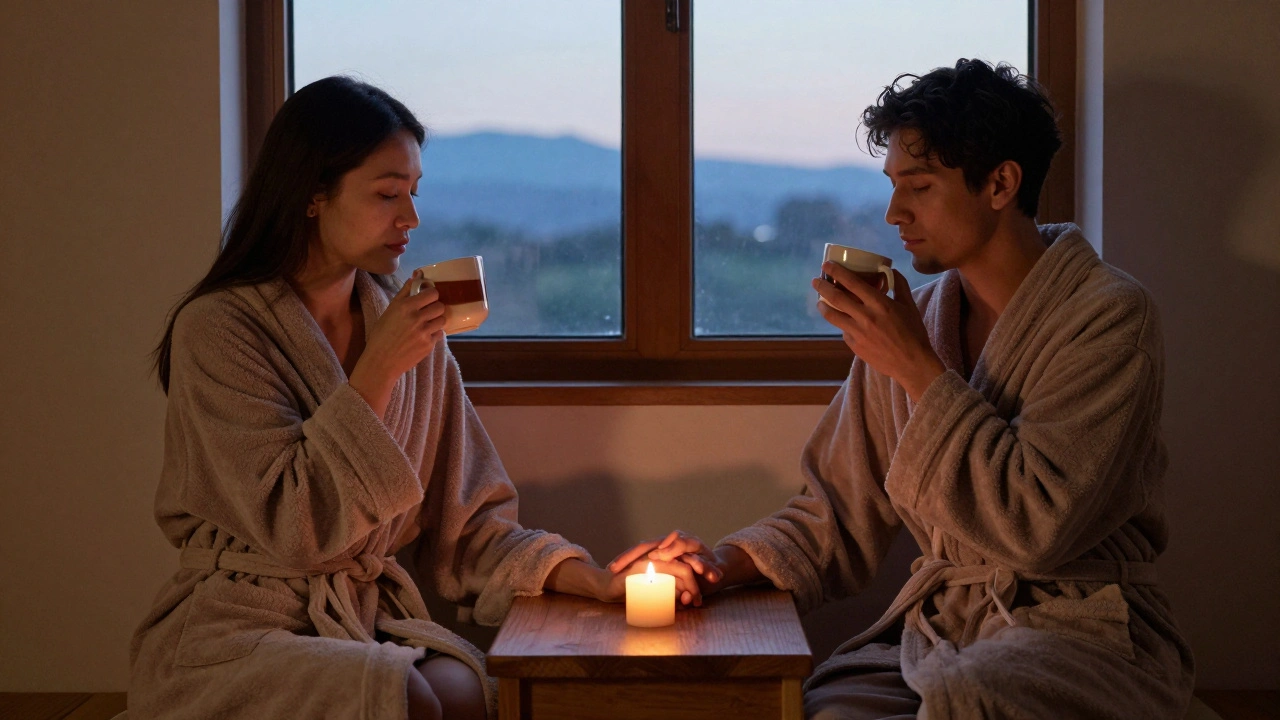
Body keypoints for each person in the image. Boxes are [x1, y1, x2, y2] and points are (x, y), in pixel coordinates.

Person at [610, 59, 1195, 719]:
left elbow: (1037, 530)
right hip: (947, 626)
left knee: (977, 701)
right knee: (828, 708)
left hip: (1084, 633)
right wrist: (719, 564)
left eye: (918, 186)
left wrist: (917, 365)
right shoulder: (917, 319)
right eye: (892, 185)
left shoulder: (1109, 316)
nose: (893, 212)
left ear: (1001, 183)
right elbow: (834, 511)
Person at [130, 76, 657, 720]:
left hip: (362, 616)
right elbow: (297, 530)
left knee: (465, 691)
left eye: (413, 194)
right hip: (240, 620)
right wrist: (377, 368)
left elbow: (469, 528)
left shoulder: (409, 327)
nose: (410, 219)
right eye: (386, 195)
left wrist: (593, 579)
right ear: (312, 195)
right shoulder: (220, 329)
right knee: (401, 696)